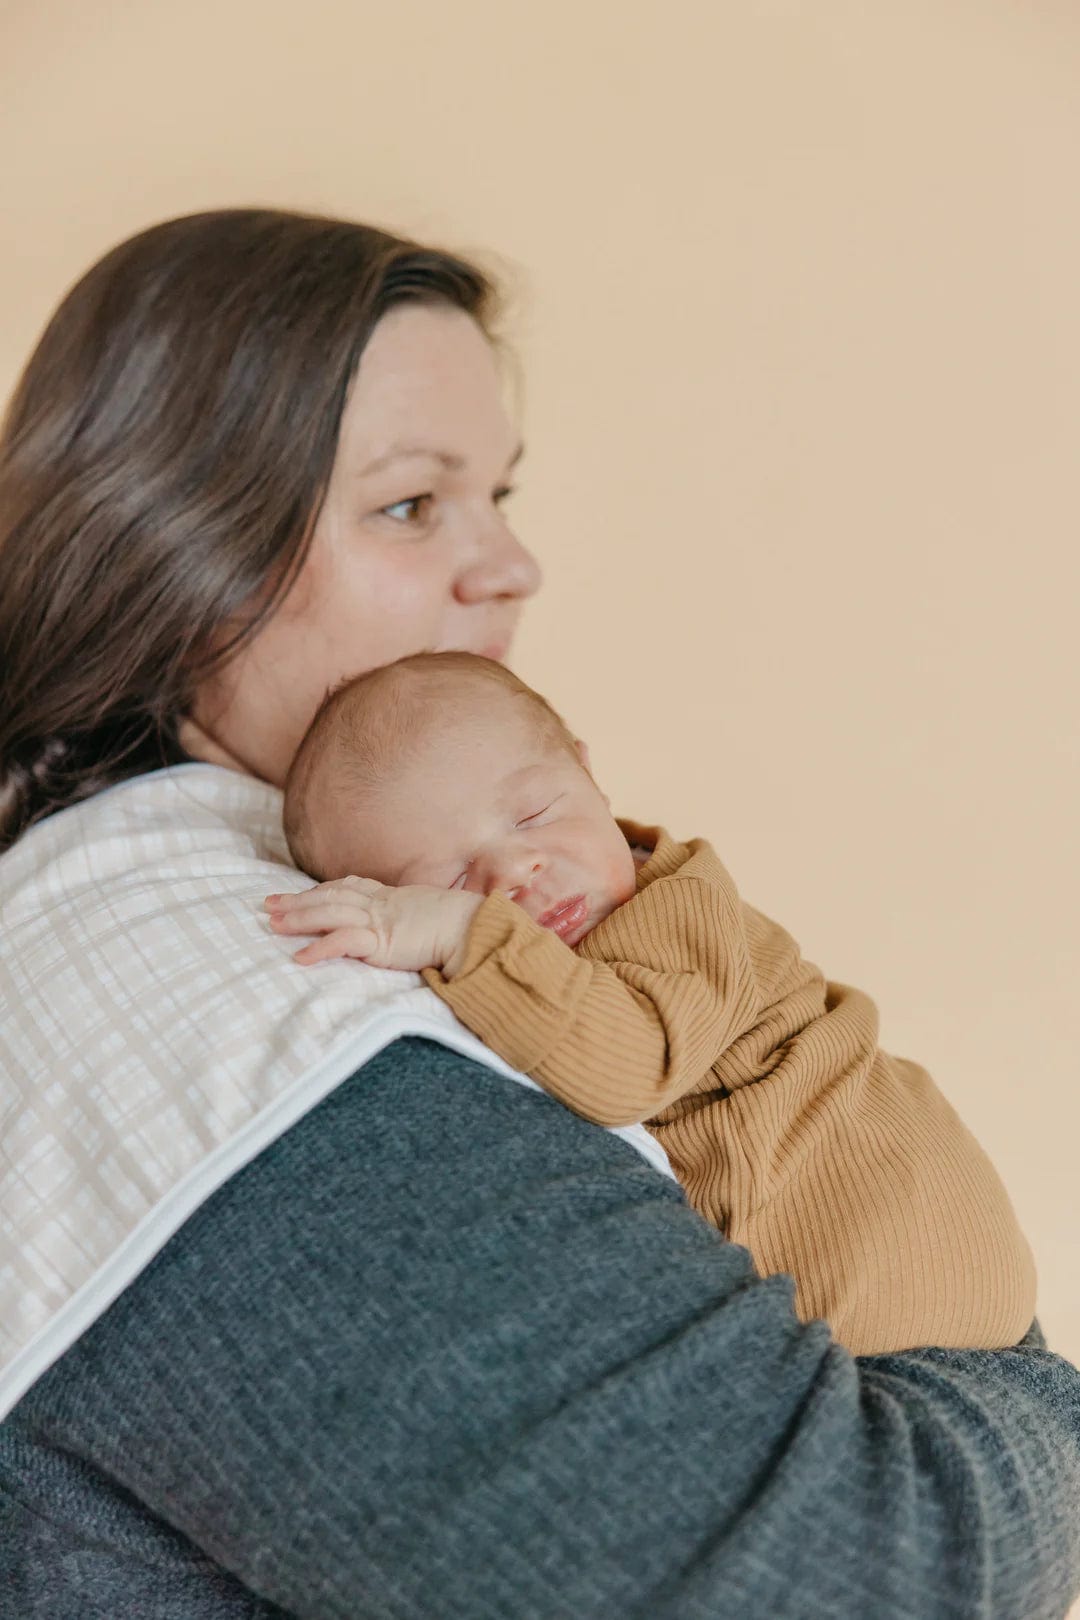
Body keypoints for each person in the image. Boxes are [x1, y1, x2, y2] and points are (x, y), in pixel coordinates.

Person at [0, 208, 1078, 1619]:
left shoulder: (240, 904)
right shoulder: (213, 978)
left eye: (502, 496)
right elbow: (846, 1580)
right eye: (409, 503)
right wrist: (1035, 1407)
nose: (511, 566)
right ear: (173, 551)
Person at [268, 649, 1036, 1359]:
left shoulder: (678, 908)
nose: (516, 872)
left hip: (886, 1227)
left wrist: (461, 927)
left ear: (588, 773)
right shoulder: (534, 968)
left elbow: (627, 1067)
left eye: (532, 815)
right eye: (449, 877)